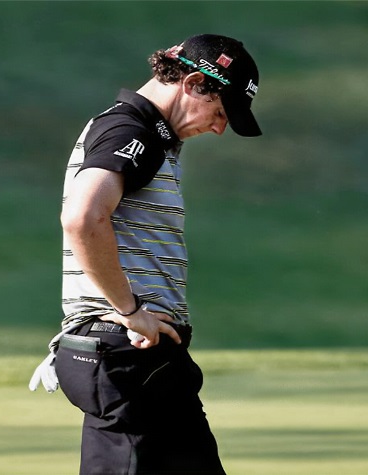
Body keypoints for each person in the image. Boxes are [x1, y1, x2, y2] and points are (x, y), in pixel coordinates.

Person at [29, 34, 262, 475]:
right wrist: (128, 310)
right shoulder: (131, 130)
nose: (219, 128)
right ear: (193, 83)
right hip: (129, 353)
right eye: (220, 112)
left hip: (136, 357)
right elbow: (82, 218)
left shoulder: (150, 136)